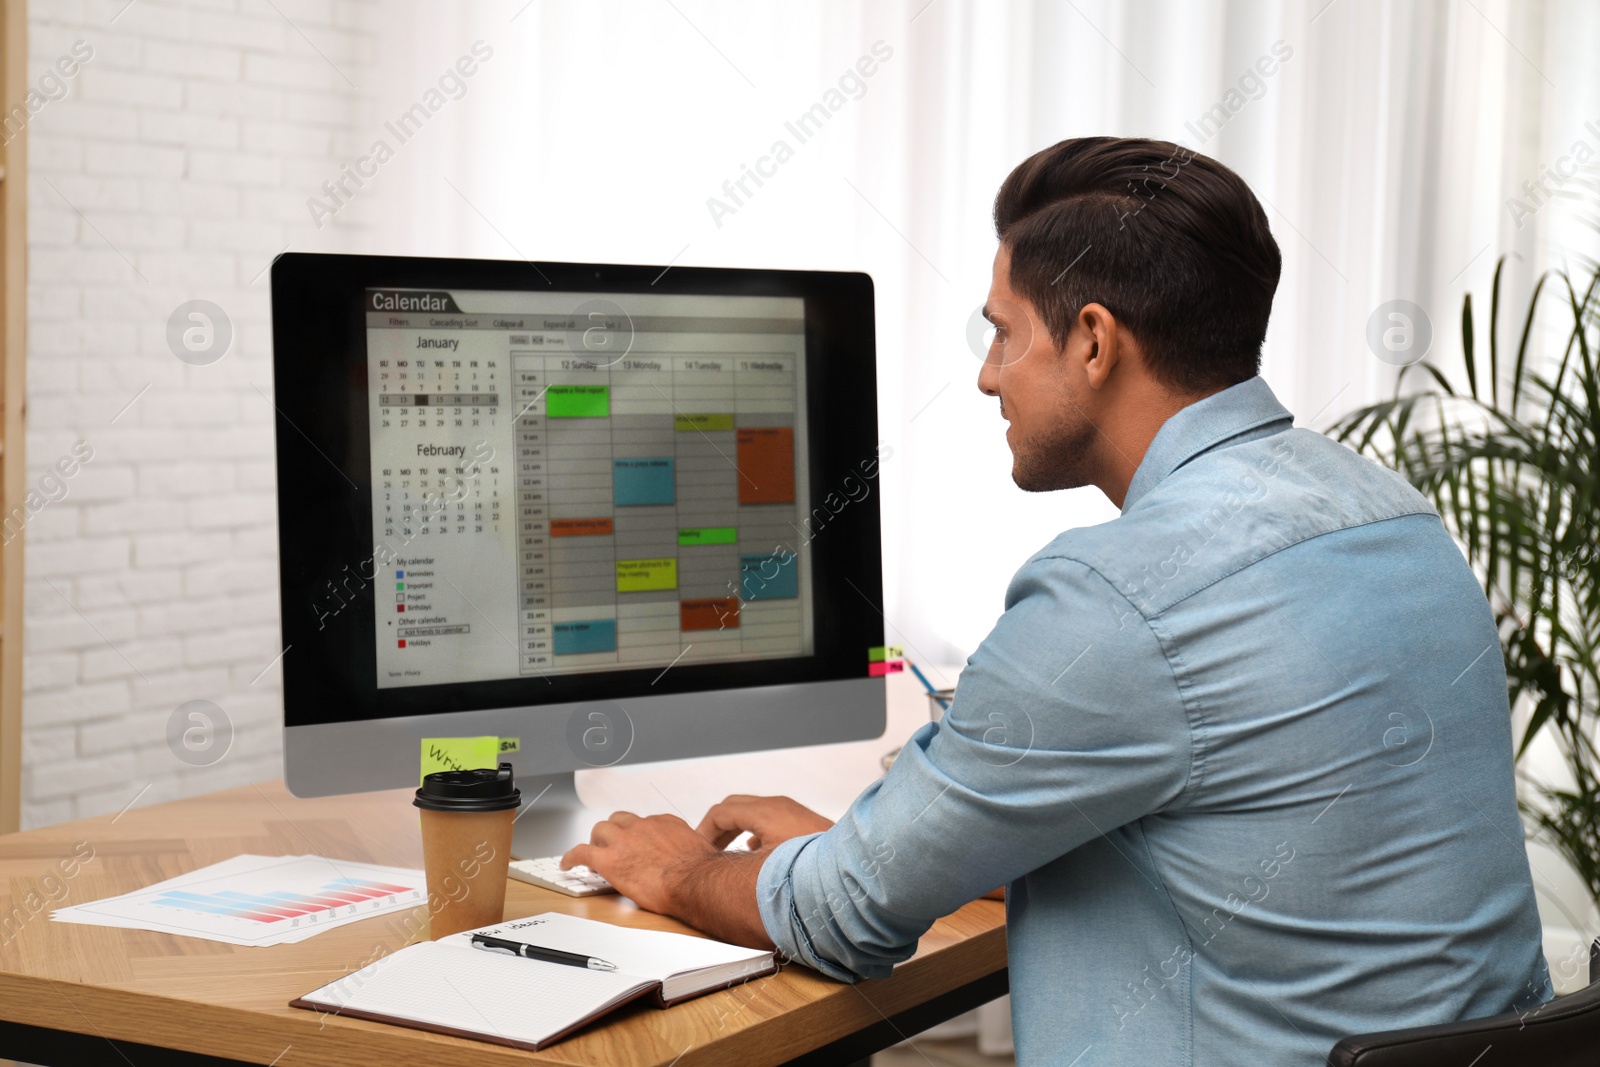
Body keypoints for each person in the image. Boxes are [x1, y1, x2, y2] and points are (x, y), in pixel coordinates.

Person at [561, 136, 1552, 1065]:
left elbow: (846, 917)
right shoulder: (1387, 515)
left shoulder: (1116, 597)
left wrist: (679, 867)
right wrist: (873, 844)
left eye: (1001, 334)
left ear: (1091, 340)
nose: (989, 376)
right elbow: (1254, 840)